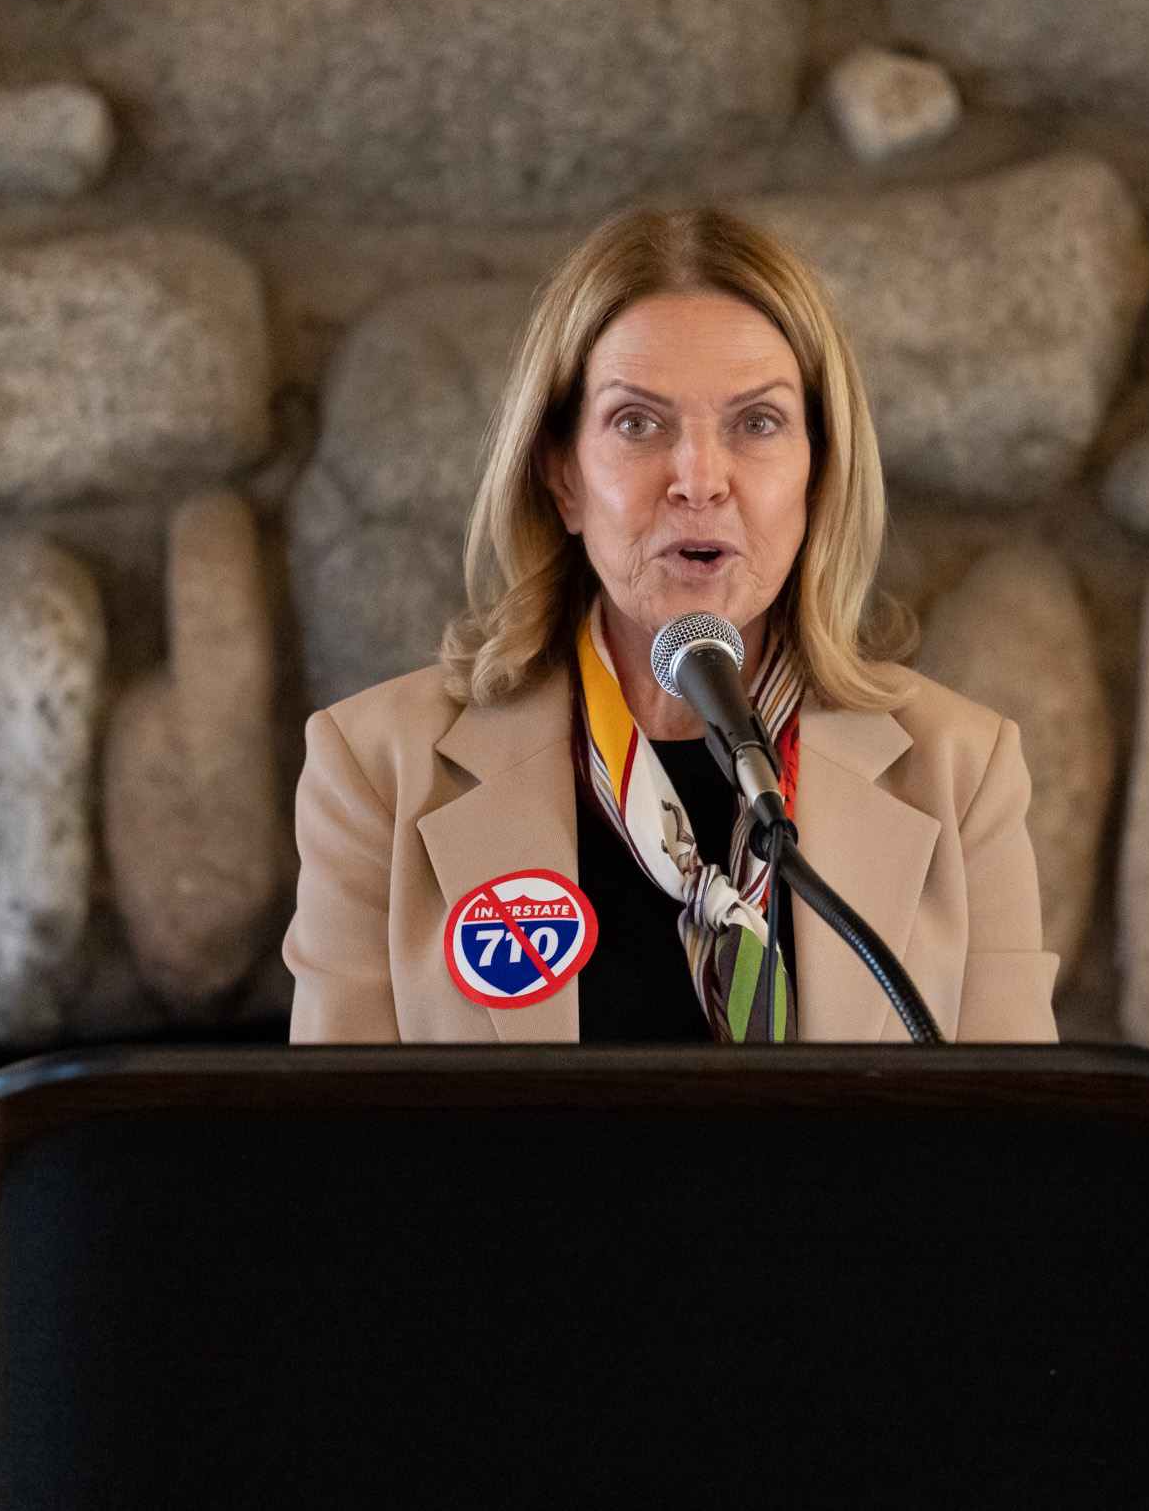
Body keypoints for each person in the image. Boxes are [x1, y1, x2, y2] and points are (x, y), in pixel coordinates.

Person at [285, 207, 1059, 1044]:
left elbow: (1015, 1161)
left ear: (819, 472)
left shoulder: (960, 774)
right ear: (562, 475)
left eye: (756, 423)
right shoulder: (378, 771)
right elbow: (335, 1164)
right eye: (637, 423)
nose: (698, 480)